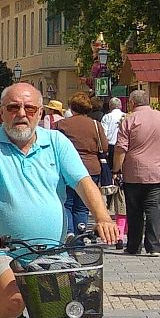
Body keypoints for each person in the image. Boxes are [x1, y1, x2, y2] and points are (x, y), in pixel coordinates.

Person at [0, 83, 120, 318]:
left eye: (29, 108)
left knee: (70, 314)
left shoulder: (56, 142)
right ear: (2, 112)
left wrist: (103, 217)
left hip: (52, 250)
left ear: (40, 113)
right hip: (2, 250)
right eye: (13, 107)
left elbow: (83, 182)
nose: (21, 114)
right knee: (15, 298)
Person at [113, 89, 160, 257]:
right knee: (154, 209)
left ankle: (134, 246)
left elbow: (121, 148)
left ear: (132, 103)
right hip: (158, 171)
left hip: (134, 172)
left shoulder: (129, 120)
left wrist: (116, 169)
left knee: (134, 211)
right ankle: (154, 246)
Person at [56, 93, 109, 237]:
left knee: (66, 203)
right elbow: (104, 147)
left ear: (71, 108)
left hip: (66, 168)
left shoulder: (61, 124)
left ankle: (69, 232)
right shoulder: (96, 125)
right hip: (91, 168)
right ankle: (80, 234)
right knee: (83, 206)